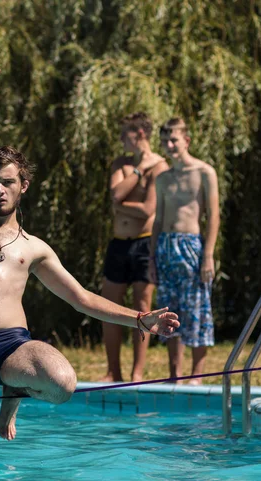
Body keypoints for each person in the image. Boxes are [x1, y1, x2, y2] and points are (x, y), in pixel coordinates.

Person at [0, 56, 180, 442]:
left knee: (62, 384)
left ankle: (11, 393)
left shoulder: (34, 248)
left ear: (23, 185)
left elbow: (82, 299)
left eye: (8, 181)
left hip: (12, 348)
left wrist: (140, 319)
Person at [149, 118, 220, 384]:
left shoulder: (204, 172)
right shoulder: (163, 178)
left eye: (174, 139)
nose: (169, 145)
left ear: (186, 141)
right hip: (166, 245)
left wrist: (208, 255)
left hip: (191, 245)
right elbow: (157, 220)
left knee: (197, 309)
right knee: (170, 311)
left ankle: (197, 375)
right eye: (165, 140)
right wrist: (152, 259)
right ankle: (174, 374)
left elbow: (213, 216)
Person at [101, 112, 168, 383]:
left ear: (139, 134)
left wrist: (121, 204)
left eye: (125, 132)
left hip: (144, 243)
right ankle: (112, 370)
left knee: (143, 307)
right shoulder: (122, 163)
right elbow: (115, 195)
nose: (120, 138)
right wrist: (139, 171)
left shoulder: (161, 166)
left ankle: (137, 372)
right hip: (118, 243)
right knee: (108, 307)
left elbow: (148, 209)